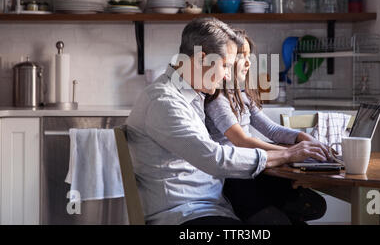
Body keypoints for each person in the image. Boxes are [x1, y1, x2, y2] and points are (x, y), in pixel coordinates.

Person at [126, 17, 331, 225]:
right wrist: (287, 154)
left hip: (214, 206)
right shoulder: (164, 101)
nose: (227, 76)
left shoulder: (194, 96)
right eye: (225, 66)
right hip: (184, 215)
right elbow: (214, 158)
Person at [204, 29, 327, 224]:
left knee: (317, 206)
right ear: (224, 61)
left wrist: (303, 139)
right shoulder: (217, 99)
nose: (248, 62)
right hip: (233, 180)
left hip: (251, 172)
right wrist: (293, 153)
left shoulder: (242, 95)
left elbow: (273, 130)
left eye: (248, 56)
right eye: (241, 56)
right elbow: (241, 141)